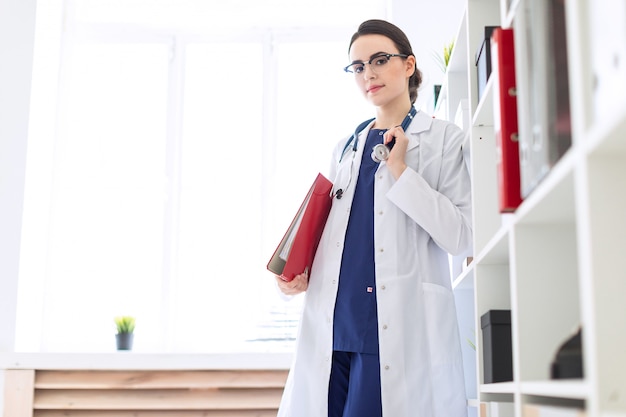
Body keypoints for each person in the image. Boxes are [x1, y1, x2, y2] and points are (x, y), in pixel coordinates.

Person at [274, 19, 473, 417]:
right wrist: (296, 275)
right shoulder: (345, 148)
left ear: (409, 65)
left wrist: (401, 171)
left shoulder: (444, 140)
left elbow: (463, 237)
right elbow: (333, 239)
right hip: (334, 327)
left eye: (380, 60)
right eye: (359, 66)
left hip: (393, 331)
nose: (369, 74)